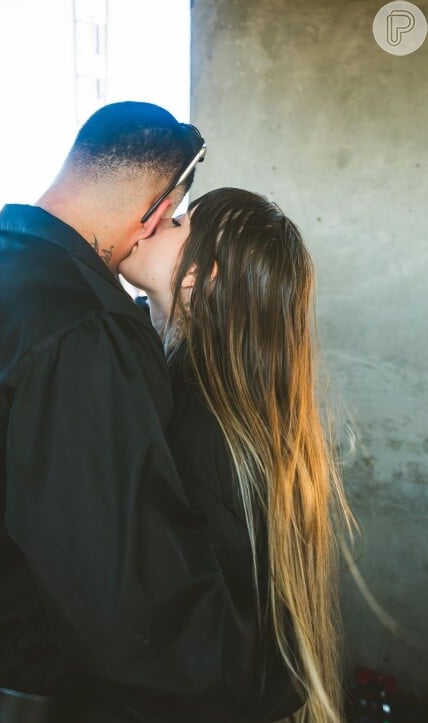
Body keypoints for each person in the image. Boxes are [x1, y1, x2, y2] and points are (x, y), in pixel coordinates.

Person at [0, 102, 239, 723]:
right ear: (151, 216)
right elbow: (126, 602)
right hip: (7, 703)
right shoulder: (88, 325)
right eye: (172, 215)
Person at [119, 187, 356, 723]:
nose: (156, 221)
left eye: (178, 221)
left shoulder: (200, 433)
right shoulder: (185, 392)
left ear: (199, 277)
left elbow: (201, 658)